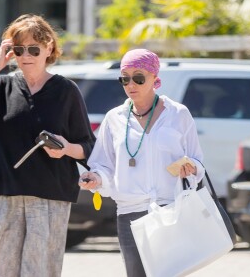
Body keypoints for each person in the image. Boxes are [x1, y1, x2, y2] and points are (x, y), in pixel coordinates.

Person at [0, 14, 95, 277]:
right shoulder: (0, 86)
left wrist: (65, 147)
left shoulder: (66, 90)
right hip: (5, 197)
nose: (25, 55)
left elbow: (88, 146)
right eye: (18, 49)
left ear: (49, 47)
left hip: (49, 198)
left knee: (39, 272)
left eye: (33, 48)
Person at [79, 48, 205, 277]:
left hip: (169, 209)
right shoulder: (114, 118)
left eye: (138, 77)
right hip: (130, 212)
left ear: (155, 79)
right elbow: (102, 164)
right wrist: (95, 178)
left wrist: (191, 168)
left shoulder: (178, 114)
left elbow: (197, 160)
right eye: (124, 78)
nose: (131, 84)